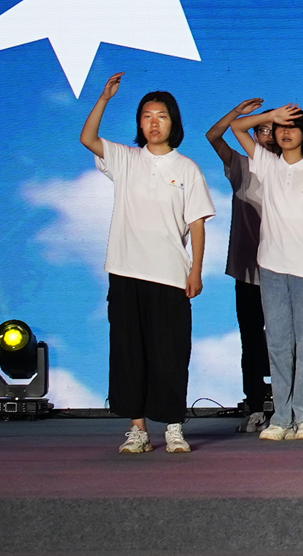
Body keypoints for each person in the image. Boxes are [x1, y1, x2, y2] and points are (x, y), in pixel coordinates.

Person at [82, 73, 213, 456]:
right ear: (139, 123)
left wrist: (195, 270)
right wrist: (104, 99)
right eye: (147, 116)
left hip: (170, 275)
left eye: (162, 116)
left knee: (170, 354)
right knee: (128, 352)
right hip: (126, 271)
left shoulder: (186, 168)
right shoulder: (126, 159)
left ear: (174, 122)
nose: (154, 123)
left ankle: (173, 427)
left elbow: (197, 223)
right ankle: (137, 429)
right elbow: (88, 138)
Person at [220, 101, 303, 443]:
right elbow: (237, 128)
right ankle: (281, 417)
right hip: (271, 267)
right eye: (280, 128)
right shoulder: (266, 164)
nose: (284, 133)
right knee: (278, 344)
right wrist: (271, 116)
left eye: (292, 128)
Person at [203, 99, 272, 432]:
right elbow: (213, 136)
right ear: (254, 135)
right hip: (248, 270)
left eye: (274, 129)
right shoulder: (241, 166)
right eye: (263, 129)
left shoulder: (297, 168)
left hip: (288, 270)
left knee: (293, 341)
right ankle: (256, 405)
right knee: (252, 339)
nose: (269, 135)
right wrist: (237, 114)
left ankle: (293, 405)